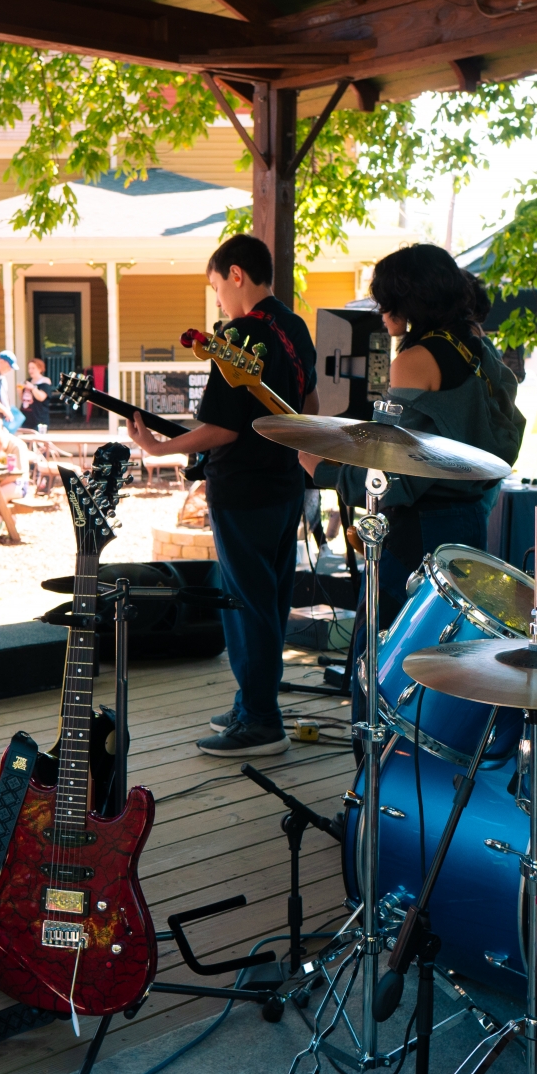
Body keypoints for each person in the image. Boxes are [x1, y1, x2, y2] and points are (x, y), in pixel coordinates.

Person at [125, 233, 316, 758]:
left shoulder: (241, 335)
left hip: (245, 488)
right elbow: (310, 403)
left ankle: (260, 722)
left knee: (245, 604)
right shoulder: (295, 327)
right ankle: (255, 701)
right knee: (270, 600)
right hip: (285, 484)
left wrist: (161, 448)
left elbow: (223, 429)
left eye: (216, 288)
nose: (217, 302)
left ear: (236, 274)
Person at [305, 245, 524, 623]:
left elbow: (397, 475)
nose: (381, 311)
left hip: (419, 533)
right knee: (440, 654)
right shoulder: (476, 347)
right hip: (470, 522)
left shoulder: (414, 361)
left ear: (409, 300)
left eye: (386, 300)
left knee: (378, 656)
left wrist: (322, 470)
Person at [0, 419, 29, 544]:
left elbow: (18, 474)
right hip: (1, 483)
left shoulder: (16, 446)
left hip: (19, 484)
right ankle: (7, 523)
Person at [19, 355, 53, 431]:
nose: (30, 370)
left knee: (39, 441)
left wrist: (33, 388)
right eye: (29, 368)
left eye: (33, 368)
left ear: (40, 369)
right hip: (26, 417)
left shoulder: (45, 381)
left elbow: (41, 398)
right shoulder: (28, 381)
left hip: (39, 417)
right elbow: (23, 400)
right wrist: (20, 390)